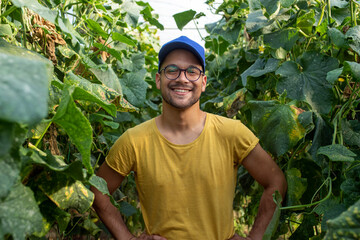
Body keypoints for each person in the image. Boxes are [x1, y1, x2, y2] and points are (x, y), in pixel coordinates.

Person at [91, 36, 287, 240]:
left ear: (203, 83)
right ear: (159, 80)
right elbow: (97, 191)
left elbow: (276, 181)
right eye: (172, 70)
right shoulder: (134, 141)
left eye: (192, 71)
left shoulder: (232, 133)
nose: (182, 78)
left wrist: (255, 237)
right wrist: (127, 238)